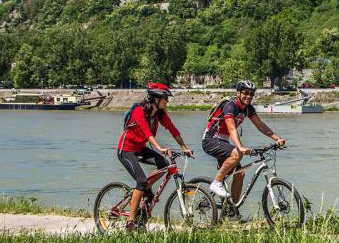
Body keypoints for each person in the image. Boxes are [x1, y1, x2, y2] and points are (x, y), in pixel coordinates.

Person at [202, 80, 286, 222]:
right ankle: (216, 183)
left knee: (240, 174)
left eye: (251, 94)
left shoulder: (248, 109)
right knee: (237, 154)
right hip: (211, 140)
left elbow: (260, 125)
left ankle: (232, 212)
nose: (249, 96)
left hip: (222, 142)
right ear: (239, 93)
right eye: (246, 93)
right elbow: (231, 127)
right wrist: (240, 147)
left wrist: (276, 138)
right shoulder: (231, 105)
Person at [117, 83, 194, 231]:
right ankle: (131, 221)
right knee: (140, 180)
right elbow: (147, 133)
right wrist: (159, 148)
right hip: (126, 150)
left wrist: (184, 147)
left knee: (164, 164)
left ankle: (145, 189)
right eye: (165, 98)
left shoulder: (160, 113)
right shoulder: (139, 111)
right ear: (156, 99)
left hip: (140, 149)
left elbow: (173, 129)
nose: (168, 101)